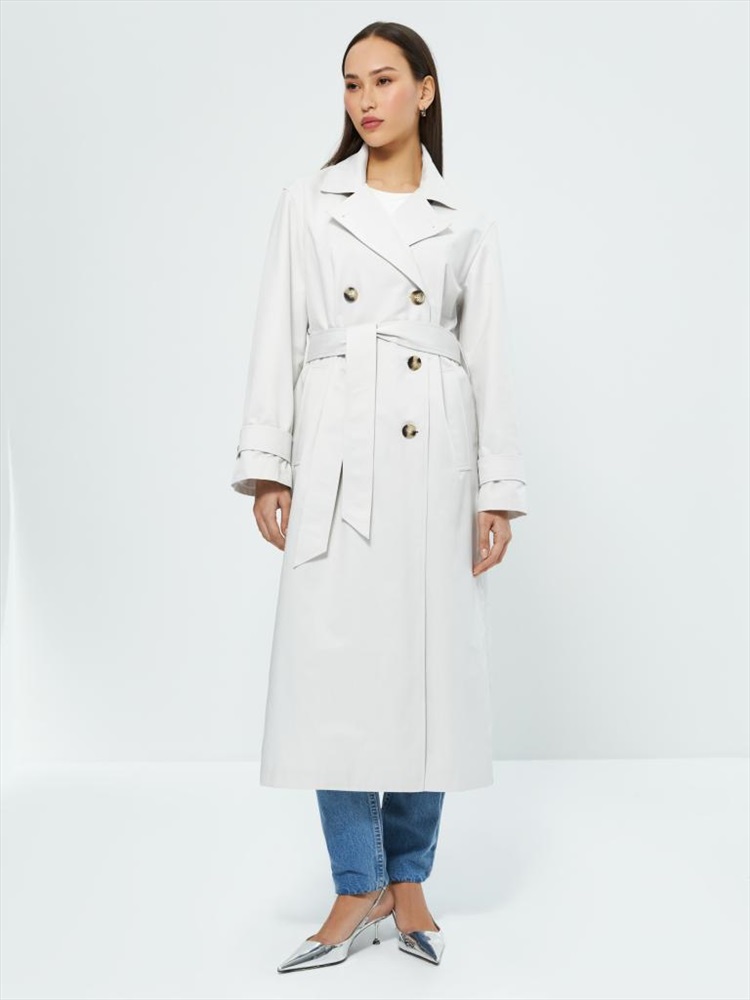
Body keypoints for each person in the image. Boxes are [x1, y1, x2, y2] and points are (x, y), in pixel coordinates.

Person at [230, 21, 528, 972]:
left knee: (423, 665)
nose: (365, 100)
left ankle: (410, 882)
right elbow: (277, 330)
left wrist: (495, 490)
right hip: (334, 452)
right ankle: (355, 882)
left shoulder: (465, 216)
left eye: (385, 80)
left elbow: (489, 357)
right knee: (336, 670)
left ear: (425, 91)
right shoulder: (308, 202)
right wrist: (270, 463)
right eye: (352, 83)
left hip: (432, 454)